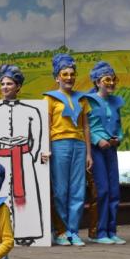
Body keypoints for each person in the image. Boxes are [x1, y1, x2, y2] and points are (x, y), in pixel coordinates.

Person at [0, 65, 45, 246]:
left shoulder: (32, 111)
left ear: (18, 86)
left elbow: (36, 139)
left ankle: (25, 232)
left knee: (26, 196)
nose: (5, 87)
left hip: (23, 160)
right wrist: (2, 144)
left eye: (9, 84)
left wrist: (34, 156)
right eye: (3, 84)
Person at [44, 53, 92, 246]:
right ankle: (61, 231)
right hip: (59, 144)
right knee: (61, 189)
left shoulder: (82, 99)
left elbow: (86, 126)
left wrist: (89, 153)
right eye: (65, 74)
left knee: (78, 189)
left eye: (72, 74)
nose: (69, 77)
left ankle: (73, 231)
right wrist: (47, 149)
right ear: (57, 77)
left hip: (79, 145)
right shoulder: (49, 99)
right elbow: (46, 126)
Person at [85, 61, 126, 245]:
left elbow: (119, 126)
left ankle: (111, 230)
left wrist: (119, 138)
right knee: (102, 190)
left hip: (111, 149)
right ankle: (100, 232)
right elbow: (85, 126)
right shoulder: (89, 101)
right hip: (97, 150)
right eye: (107, 80)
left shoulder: (115, 102)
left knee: (114, 190)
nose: (111, 83)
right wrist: (97, 140)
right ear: (97, 82)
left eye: (113, 79)